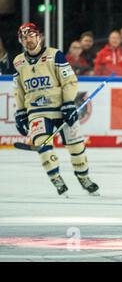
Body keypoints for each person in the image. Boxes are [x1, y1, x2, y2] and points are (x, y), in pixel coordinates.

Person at [12, 23, 99, 196]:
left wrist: (68, 103)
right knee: (43, 145)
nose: (28, 40)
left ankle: (83, 177)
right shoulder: (18, 62)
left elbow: (70, 81)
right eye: (24, 37)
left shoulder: (54, 55)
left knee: (76, 146)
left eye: (31, 35)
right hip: (37, 111)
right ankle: (57, 179)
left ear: (39, 36)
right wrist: (21, 112)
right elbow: (18, 90)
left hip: (61, 108)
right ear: (21, 40)